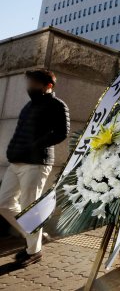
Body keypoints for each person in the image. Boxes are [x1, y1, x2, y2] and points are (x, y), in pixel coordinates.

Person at [0, 69, 69, 267]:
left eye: (33, 83)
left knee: (30, 208)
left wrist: (34, 146)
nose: (29, 86)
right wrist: (13, 151)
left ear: (48, 86)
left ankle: (34, 250)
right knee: (4, 204)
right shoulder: (27, 107)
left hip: (37, 162)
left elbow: (61, 133)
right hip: (16, 161)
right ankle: (34, 236)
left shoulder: (58, 105)